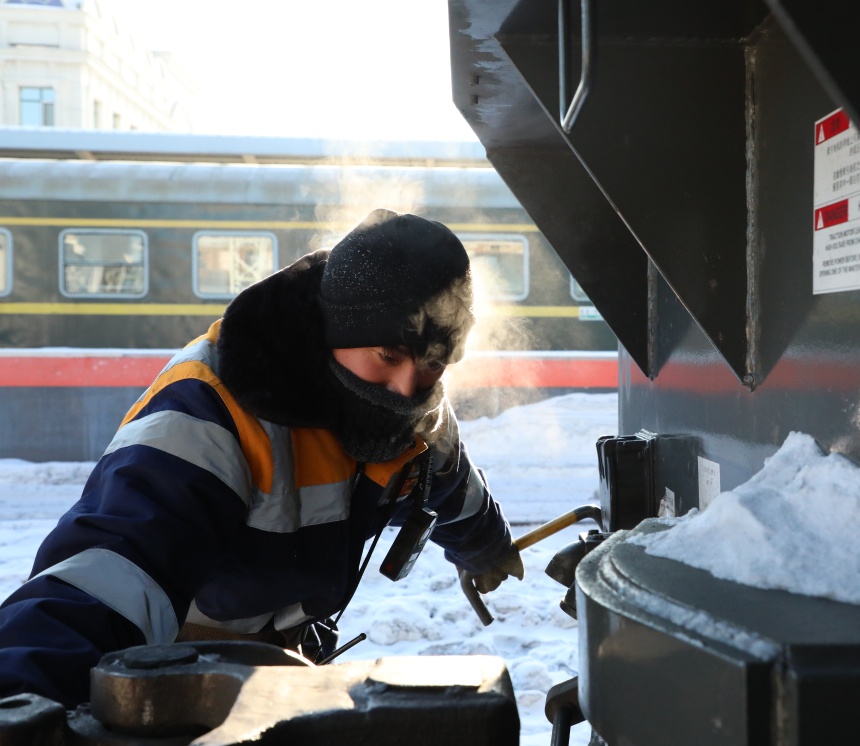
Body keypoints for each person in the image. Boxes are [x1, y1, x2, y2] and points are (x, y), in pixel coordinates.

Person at [0, 209, 525, 707]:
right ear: (336, 331)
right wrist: (23, 701)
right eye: (388, 358)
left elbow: (448, 479)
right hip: (180, 679)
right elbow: (109, 573)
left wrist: (485, 544)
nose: (406, 388)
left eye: (433, 364)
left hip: (285, 667)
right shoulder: (211, 410)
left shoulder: (417, 407)